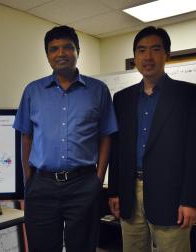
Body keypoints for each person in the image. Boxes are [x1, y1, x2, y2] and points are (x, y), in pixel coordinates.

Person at [13, 25, 117, 252]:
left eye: (68, 47)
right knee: (42, 247)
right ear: (48, 56)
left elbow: (106, 136)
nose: (61, 53)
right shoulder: (33, 91)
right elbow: (26, 136)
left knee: (82, 247)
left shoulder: (98, 90)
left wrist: (98, 178)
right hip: (42, 185)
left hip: (83, 184)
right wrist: (29, 179)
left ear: (77, 51)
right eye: (54, 49)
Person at [108, 26, 196, 252]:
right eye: (141, 50)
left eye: (155, 49)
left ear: (167, 54)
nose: (148, 57)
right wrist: (115, 192)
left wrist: (190, 199)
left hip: (172, 195)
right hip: (129, 194)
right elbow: (117, 149)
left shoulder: (188, 95)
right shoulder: (122, 99)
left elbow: (193, 151)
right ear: (135, 56)